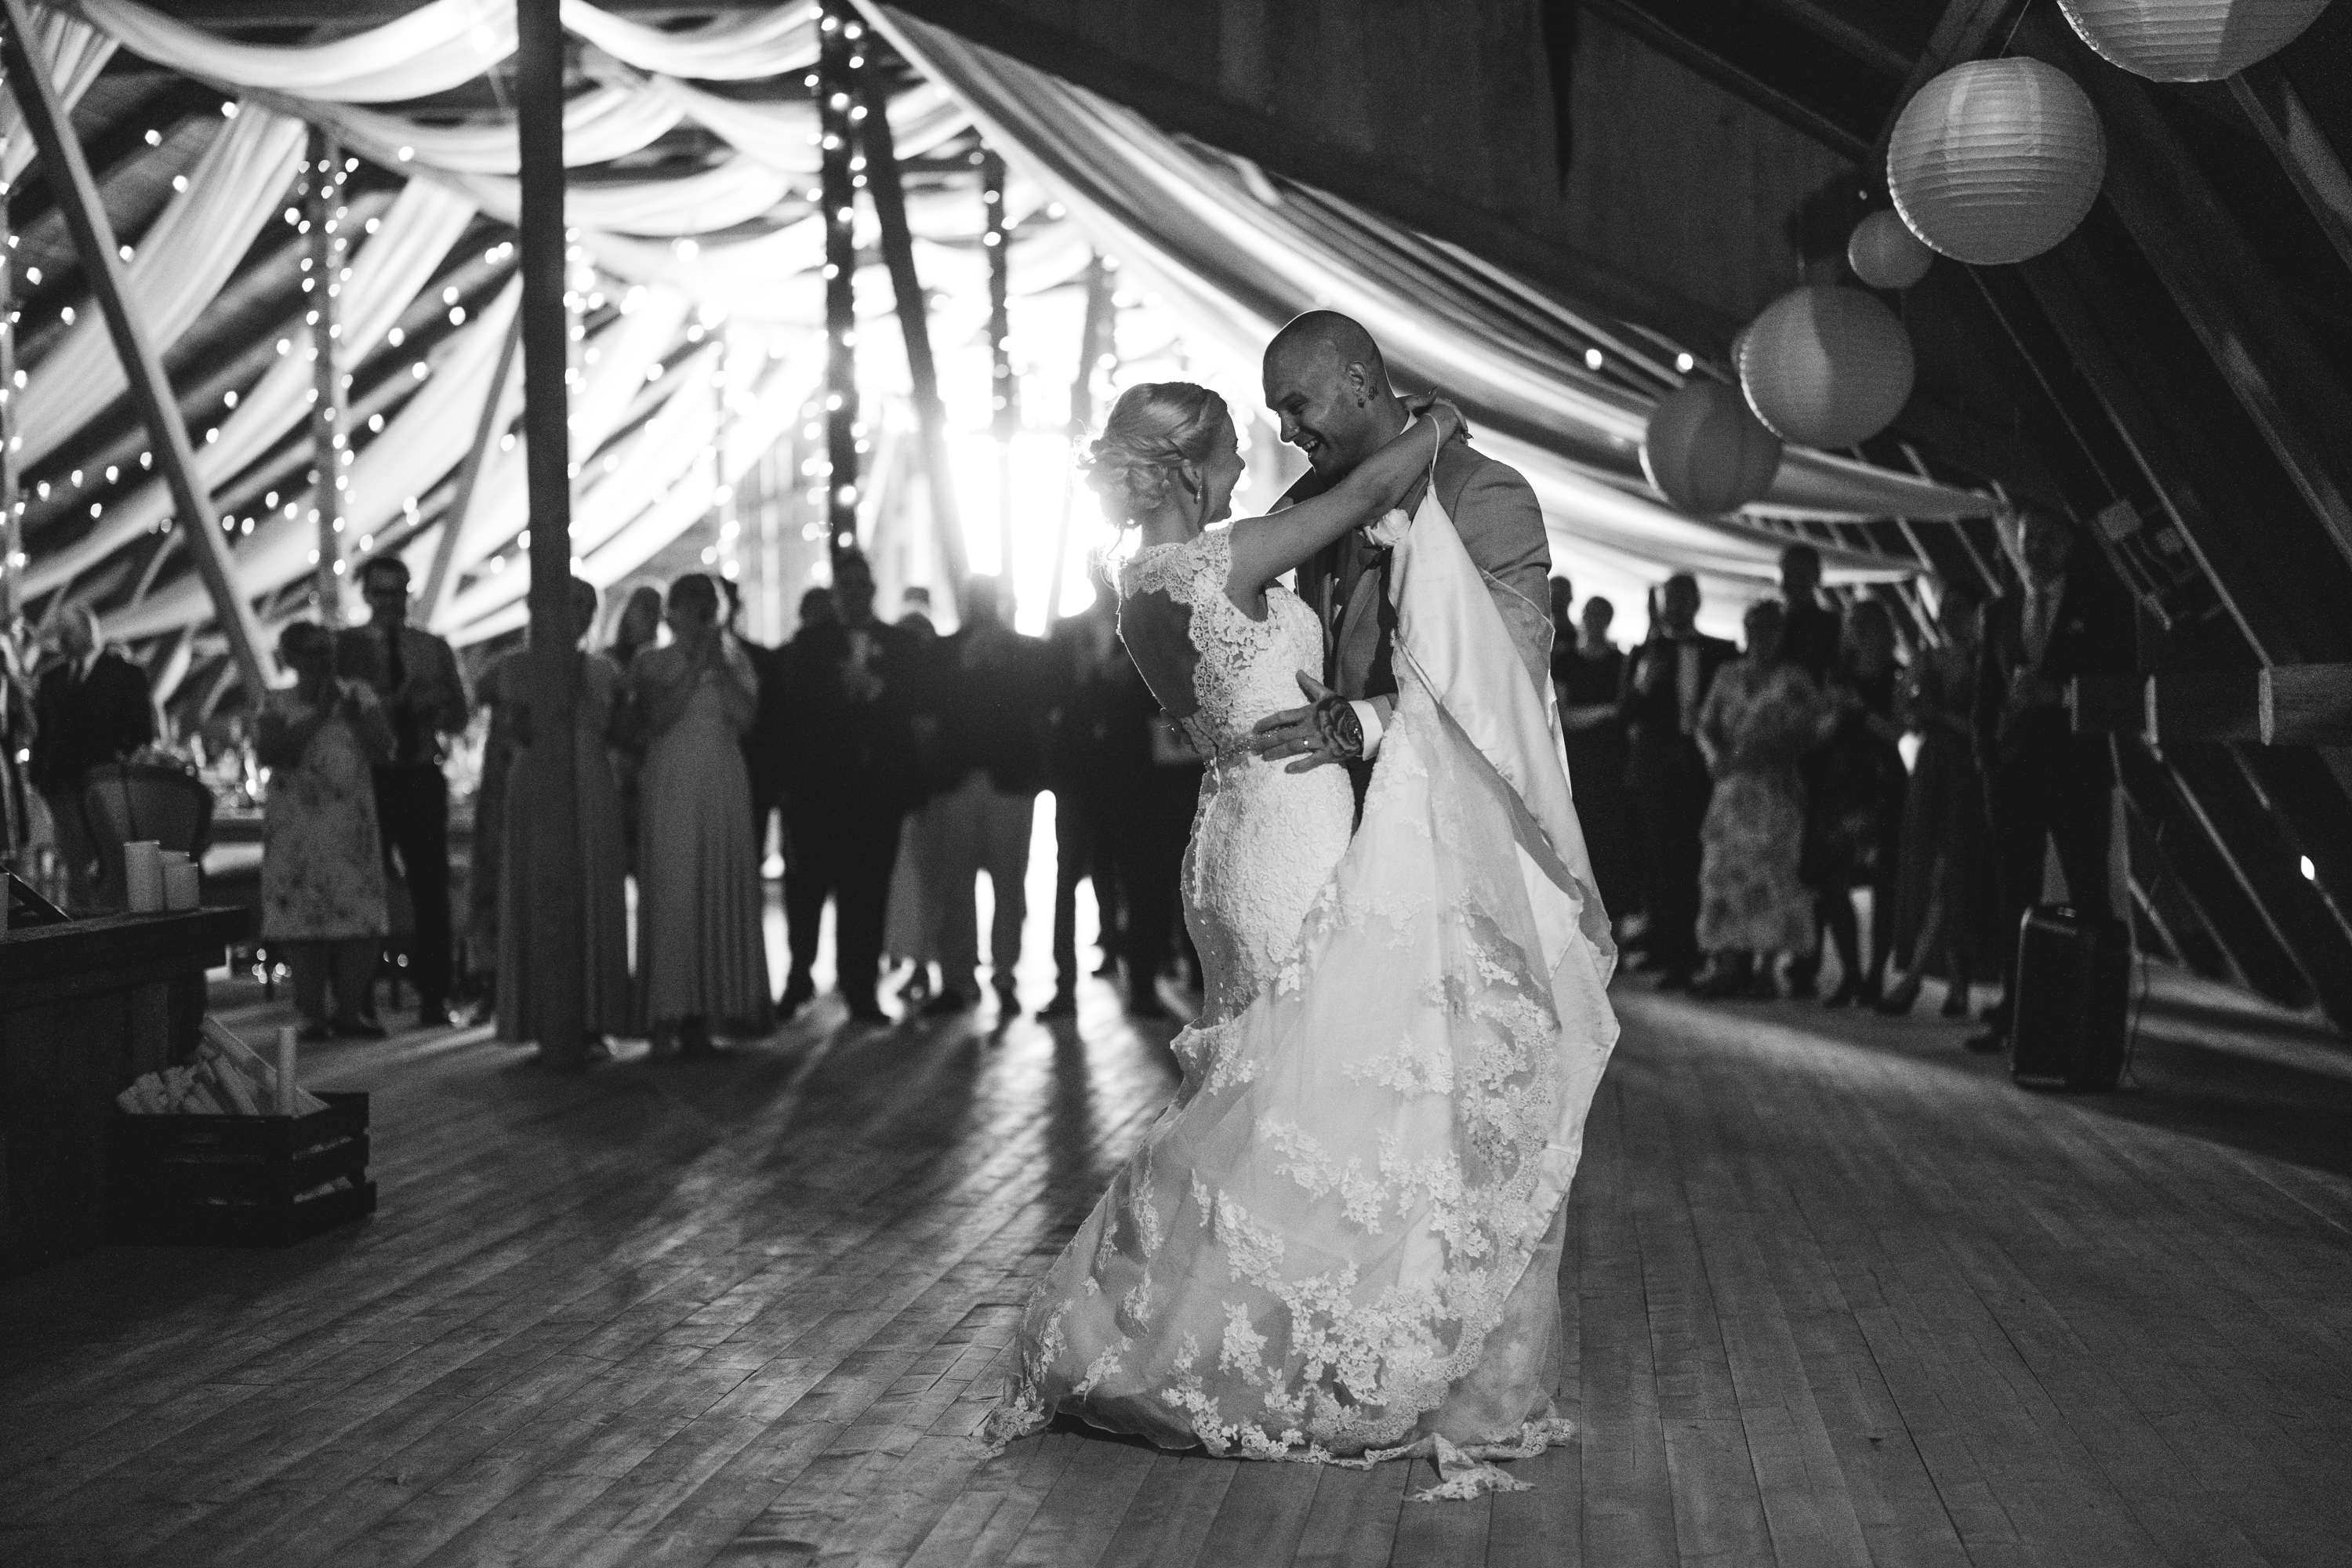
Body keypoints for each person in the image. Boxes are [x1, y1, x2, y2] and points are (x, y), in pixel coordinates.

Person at [989, 372, 1617, 1501]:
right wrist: (1438, 422)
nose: (1262, 450)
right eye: (1239, 442)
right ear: (1189, 469)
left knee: (1270, 1086)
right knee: (1317, 1087)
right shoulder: (1220, 560)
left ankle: (1253, 1324)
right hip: (1288, 833)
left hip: (1233, 830)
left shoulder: (1143, 583)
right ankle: (1285, 1349)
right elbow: (1369, 490)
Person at [1250, 314, 1556, 799]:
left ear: (1357, 382)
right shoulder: (1319, 508)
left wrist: (1362, 724)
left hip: (1442, 810)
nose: (1286, 432)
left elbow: (1513, 674)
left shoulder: (1480, 490)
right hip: (1328, 813)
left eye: (1297, 406)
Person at [1969, 507, 2131, 1054]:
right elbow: (1985, 698)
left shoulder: (2102, 607)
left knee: (2089, 894)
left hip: (2077, 773)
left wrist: (2060, 695)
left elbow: (2121, 684)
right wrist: (1988, 766)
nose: (2034, 548)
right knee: (2013, 896)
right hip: (2012, 776)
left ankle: (2094, 1026)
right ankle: (2015, 1015)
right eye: (2027, 538)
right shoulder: (1998, 611)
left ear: (2069, 545)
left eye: (2046, 538)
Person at [489, 579, 634, 1054]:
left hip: (591, 779)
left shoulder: (604, 671)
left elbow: (624, 735)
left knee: (594, 887)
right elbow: (512, 734)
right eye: (570, 604)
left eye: (586, 607)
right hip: (534, 780)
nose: (579, 615)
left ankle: (594, 1019)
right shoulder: (514, 669)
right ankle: (540, 1018)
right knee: (536, 887)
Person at [630, 573, 770, 1054]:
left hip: (722, 781)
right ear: (674, 612)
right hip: (673, 780)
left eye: (707, 604)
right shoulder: (651, 661)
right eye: (692, 604)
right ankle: (664, 1016)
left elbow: (747, 718)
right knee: (675, 889)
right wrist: (694, 667)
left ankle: (702, 1017)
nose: (702, 612)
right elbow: (659, 719)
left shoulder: (736, 660)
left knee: (715, 885)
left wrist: (720, 668)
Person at [779, 554, 918, 1023]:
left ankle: (861, 990)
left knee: (868, 893)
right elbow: (794, 706)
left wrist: (876, 691)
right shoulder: (810, 643)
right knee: (807, 889)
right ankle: (799, 976)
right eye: (846, 587)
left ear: (872, 590)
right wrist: (840, 689)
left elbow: (912, 707)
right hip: (820, 789)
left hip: (876, 791)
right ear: (836, 594)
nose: (855, 594)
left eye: (862, 585)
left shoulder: (899, 645)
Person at [337, 556, 471, 1027]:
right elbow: (341, 716)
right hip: (369, 776)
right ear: (367, 595)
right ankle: (357, 999)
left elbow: (460, 716)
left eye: (399, 591)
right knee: (364, 884)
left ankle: (434, 995)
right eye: (382, 591)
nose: (391, 602)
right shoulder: (346, 648)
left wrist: (434, 709)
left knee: (430, 885)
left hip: (420, 772)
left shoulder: (432, 648)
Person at [918, 575, 1054, 1017]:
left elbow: (1036, 707)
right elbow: (931, 710)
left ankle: (1000, 975)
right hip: (965, 780)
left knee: (1006, 884)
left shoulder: (1021, 652)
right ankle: (963, 978)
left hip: (1003, 781)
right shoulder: (945, 652)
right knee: (961, 885)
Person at [1691, 600, 1838, 1000]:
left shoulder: (1794, 680)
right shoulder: (1728, 675)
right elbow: (1704, 724)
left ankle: (1766, 969)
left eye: (1772, 628)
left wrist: (1794, 746)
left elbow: (1822, 724)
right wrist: (1714, 756)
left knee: (1773, 875)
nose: (1763, 636)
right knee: (1723, 872)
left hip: (1776, 787)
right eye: (1756, 627)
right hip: (1733, 787)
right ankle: (1726, 964)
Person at [255, 622, 394, 1043]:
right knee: (302, 918)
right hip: (296, 829)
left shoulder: (358, 694)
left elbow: (384, 747)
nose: (323, 659)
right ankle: (311, 1012)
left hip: (350, 826)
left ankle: (350, 1012)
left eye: (327, 650)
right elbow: (272, 752)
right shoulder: (277, 701)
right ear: (293, 658)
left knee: (360, 916)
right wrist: (319, 715)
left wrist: (353, 717)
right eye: (313, 651)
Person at [1882, 580, 1995, 1018]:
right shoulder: (1927, 659)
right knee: (1928, 872)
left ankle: (1928, 980)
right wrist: (1912, 708)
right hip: (1932, 771)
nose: (1949, 617)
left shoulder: (1986, 659)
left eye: (1958, 608)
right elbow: (1901, 716)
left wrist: (1939, 715)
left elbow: (1989, 725)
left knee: (1958, 875)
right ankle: (1946, 981)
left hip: (1969, 772)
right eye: (1944, 609)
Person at [1620, 574, 1736, 989]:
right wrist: (1645, 681)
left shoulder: (1722, 651)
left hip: (1706, 769)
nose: (1677, 606)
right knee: (1662, 861)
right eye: (1672, 599)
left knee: (1703, 860)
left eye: (1684, 599)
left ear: (1697, 603)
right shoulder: (1645, 651)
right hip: (1658, 770)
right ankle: (1673, 955)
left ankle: (1703, 950)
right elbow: (1628, 712)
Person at [1802, 601, 1909, 1007]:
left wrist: (1860, 710)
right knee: (1831, 879)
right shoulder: (1837, 675)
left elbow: (1897, 732)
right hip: (1839, 781)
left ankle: (1876, 975)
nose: (1861, 633)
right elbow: (1819, 731)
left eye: (1869, 625)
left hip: (1881, 783)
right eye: (1855, 625)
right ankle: (1851, 973)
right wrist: (1832, 714)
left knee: (1883, 882)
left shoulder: (1897, 675)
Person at [1039, 568, 1127, 1018]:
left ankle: (1133, 970)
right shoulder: (1066, 632)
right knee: (1067, 878)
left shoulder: (1136, 627)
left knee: (1124, 872)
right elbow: (1046, 696)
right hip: (1075, 775)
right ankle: (1063, 984)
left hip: (1124, 772)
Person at [27, 607, 153, 911]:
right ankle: (80, 919)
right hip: (61, 786)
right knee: (75, 863)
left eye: (68, 632)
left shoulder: (124, 674)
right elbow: (43, 733)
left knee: (112, 860)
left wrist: (121, 766)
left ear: (88, 631)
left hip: (105, 784)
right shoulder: (52, 678)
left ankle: (109, 918)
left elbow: (142, 732)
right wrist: (38, 777)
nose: (62, 639)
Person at [1555, 593, 1639, 925]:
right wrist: (1607, 712)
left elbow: (1627, 713)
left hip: (1610, 762)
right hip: (1579, 762)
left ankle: (1609, 918)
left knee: (1610, 841)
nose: (1593, 621)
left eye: (1599, 615)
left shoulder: (1621, 663)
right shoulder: (1566, 661)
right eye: (1590, 614)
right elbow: (1565, 717)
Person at [881, 594, 947, 1008]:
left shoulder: (912, 687)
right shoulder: (925, 684)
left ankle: (919, 961)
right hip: (917, 794)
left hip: (921, 794)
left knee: (919, 882)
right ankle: (919, 960)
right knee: (920, 883)